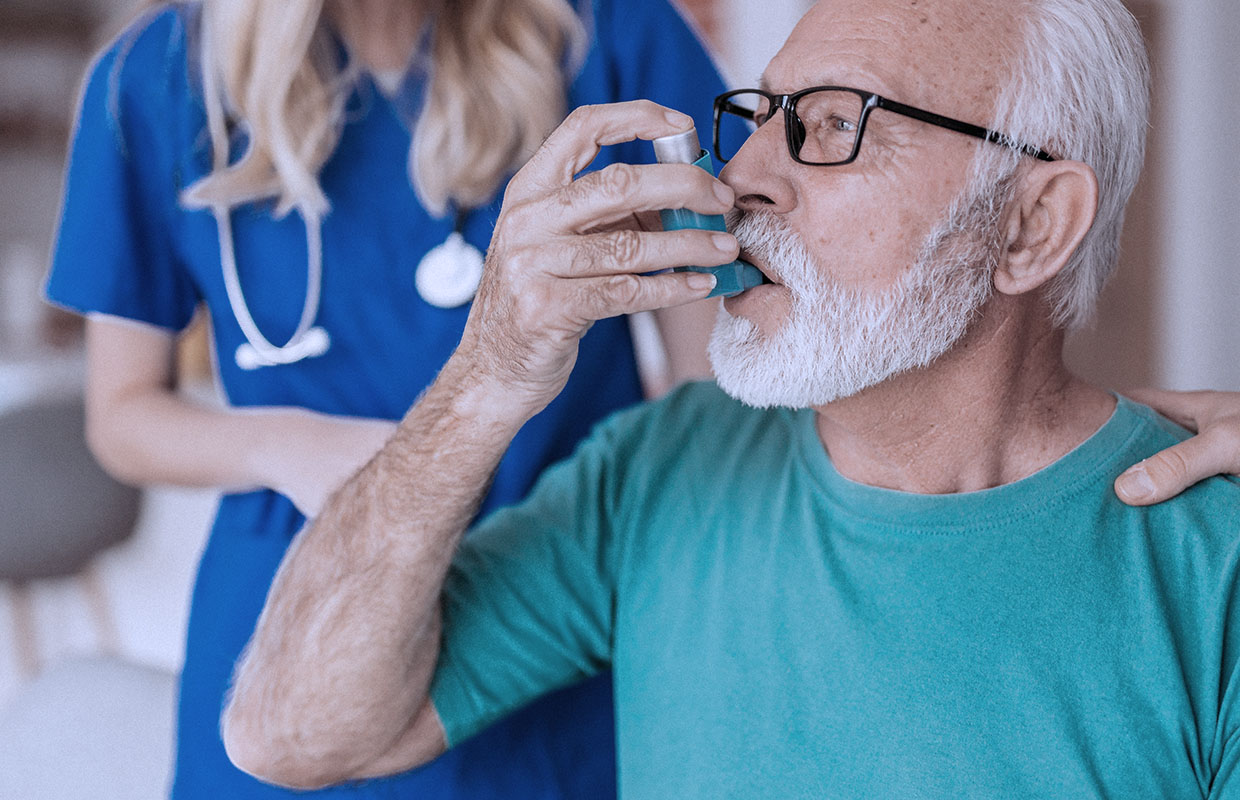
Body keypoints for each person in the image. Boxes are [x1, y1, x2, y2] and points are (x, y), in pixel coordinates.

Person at [221, 0, 1240, 796]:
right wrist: (484, 374)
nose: (739, 174)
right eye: (757, 117)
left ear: (1030, 226)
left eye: (833, 124)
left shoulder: (1215, 564)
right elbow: (289, 731)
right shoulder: (661, 466)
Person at [43, 0, 733, 796]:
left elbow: (711, 387)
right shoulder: (153, 80)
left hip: (554, 606)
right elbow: (122, 418)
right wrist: (287, 444)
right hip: (300, 617)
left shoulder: (613, 35)